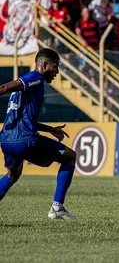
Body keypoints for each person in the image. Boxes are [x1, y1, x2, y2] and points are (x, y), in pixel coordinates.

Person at [0, 48, 77, 220]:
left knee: (13, 175)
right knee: (70, 156)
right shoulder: (35, 78)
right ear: (43, 65)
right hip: (24, 140)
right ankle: (57, 208)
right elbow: (4, 87)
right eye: (55, 67)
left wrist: (50, 130)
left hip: (6, 139)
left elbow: (24, 118)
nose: (57, 72)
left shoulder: (30, 87)